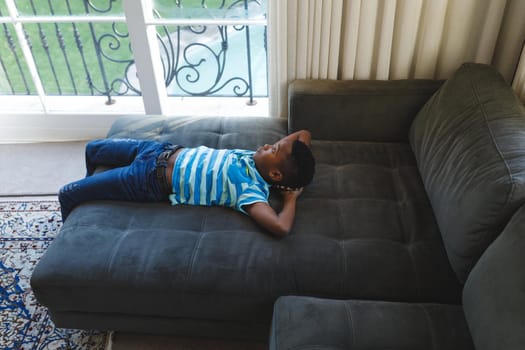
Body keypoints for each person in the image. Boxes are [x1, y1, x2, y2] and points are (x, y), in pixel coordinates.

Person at [58, 130, 315, 237]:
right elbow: (304, 134)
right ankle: (91, 193)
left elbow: (281, 227)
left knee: (68, 193)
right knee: (92, 149)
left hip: (146, 180)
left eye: (274, 149)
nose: (269, 144)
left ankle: (69, 233)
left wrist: (291, 199)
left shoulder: (251, 191)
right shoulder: (258, 160)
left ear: (276, 176)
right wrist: (294, 161)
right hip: (157, 150)